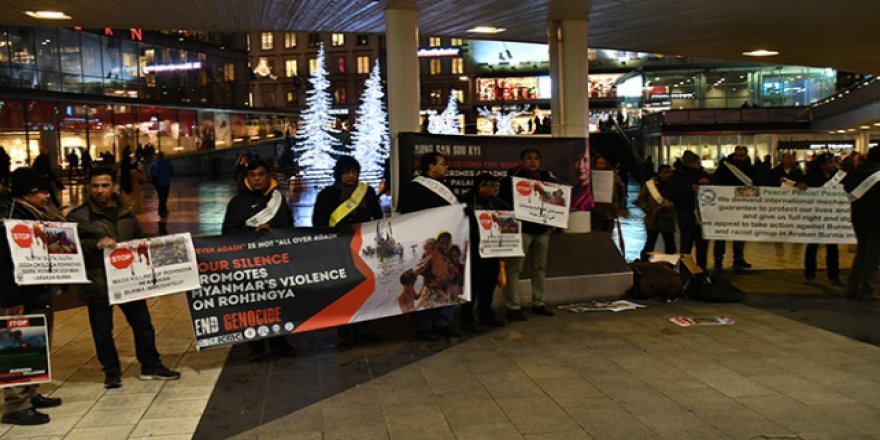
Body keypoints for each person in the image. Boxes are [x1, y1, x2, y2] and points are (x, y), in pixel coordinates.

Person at [67, 165, 181, 389]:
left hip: (128, 280)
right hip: (98, 282)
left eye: (105, 185)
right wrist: (95, 244)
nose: (100, 190)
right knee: (102, 331)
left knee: (143, 325)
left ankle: (151, 365)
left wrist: (158, 243)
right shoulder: (77, 216)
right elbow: (69, 247)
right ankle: (111, 372)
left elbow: (137, 237)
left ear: (114, 186)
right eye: (95, 186)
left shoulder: (125, 211)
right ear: (89, 187)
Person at [0, 168, 64, 425]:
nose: (47, 196)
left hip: (38, 292)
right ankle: (16, 405)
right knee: (20, 346)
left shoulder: (33, 214)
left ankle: (31, 392)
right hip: (21, 296)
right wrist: (11, 300)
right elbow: (4, 266)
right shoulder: (12, 220)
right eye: (42, 192)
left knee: (37, 344)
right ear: (27, 194)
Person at [221, 159, 299, 361]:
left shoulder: (278, 199)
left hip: (276, 261)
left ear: (268, 176)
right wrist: (252, 231)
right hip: (250, 265)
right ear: (247, 178)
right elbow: (228, 233)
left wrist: (274, 231)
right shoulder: (237, 203)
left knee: (280, 302)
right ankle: (256, 347)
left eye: (261, 174)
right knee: (254, 305)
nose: (257, 179)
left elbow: (289, 226)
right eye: (252, 175)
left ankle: (279, 342)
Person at [312, 156, 384, 346]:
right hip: (338, 249)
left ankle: (363, 329)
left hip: (363, 247)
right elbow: (319, 222)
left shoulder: (366, 192)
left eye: (354, 172)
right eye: (347, 172)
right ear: (339, 173)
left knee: (365, 287)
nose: (351, 176)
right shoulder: (327, 195)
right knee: (343, 290)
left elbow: (378, 217)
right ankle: (343, 330)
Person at [398, 152, 460, 341]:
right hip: (425, 246)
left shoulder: (445, 187)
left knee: (447, 283)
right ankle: (423, 326)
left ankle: (443, 322)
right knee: (424, 285)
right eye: (442, 164)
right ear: (431, 167)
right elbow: (408, 217)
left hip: (446, 246)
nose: (446, 167)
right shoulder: (413, 188)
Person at [498, 149, 557, 321]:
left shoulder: (547, 179)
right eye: (529, 158)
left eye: (536, 158)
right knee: (514, 268)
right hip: (521, 230)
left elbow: (556, 202)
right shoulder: (511, 179)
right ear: (522, 161)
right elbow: (504, 202)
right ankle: (513, 306)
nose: (533, 161)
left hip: (542, 230)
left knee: (540, 268)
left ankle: (538, 302)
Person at [460, 173, 508, 330]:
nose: (496, 189)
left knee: (489, 283)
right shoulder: (466, 201)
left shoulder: (498, 203)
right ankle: (466, 317)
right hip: (472, 249)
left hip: (492, 249)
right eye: (493, 186)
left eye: (497, 186)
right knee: (472, 283)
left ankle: (486, 313)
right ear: (481, 186)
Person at [797, 153, 843, 286]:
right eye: (830, 163)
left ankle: (834, 275)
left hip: (832, 216)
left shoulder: (839, 176)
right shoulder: (812, 175)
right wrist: (801, 185)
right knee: (812, 246)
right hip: (816, 215)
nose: (833, 165)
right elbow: (798, 185)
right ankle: (809, 274)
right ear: (822, 165)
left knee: (833, 247)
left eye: (833, 162)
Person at [712, 146, 760, 269]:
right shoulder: (725, 168)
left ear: (746, 155)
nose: (738, 158)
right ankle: (718, 259)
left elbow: (757, 186)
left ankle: (738, 258)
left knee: (740, 233)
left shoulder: (751, 169)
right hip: (725, 206)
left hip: (742, 206)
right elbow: (715, 183)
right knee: (722, 234)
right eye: (736, 155)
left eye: (741, 155)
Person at [842, 147, 880, 301]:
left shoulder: (857, 172)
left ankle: (852, 286)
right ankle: (868, 289)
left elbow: (847, 188)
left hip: (858, 218)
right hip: (877, 220)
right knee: (873, 257)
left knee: (861, 253)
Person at [663, 151, 711, 270]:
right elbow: (670, 195)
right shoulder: (677, 177)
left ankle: (701, 270)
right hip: (686, 217)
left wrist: (710, 184)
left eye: (698, 161)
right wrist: (690, 188)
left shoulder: (704, 175)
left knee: (703, 247)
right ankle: (685, 271)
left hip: (705, 218)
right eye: (696, 161)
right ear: (689, 163)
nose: (698, 163)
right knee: (686, 247)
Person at [637, 165, 676, 260]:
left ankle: (670, 265)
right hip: (653, 219)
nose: (668, 175)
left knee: (670, 244)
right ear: (659, 173)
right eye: (665, 172)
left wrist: (667, 206)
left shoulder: (674, 185)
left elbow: (678, 200)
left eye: (669, 172)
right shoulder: (650, 185)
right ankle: (644, 263)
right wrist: (649, 209)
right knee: (650, 243)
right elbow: (641, 200)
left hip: (668, 219)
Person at [590, 155, 626, 234]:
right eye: (598, 164)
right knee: (596, 237)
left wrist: (619, 206)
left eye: (603, 163)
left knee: (608, 237)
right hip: (596, 213)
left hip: (610, 212)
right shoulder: (590, 177)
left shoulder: (614, 176)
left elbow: (622, 191)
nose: (601, 166)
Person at [148, 151, 174, 221]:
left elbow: (149, 173)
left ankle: (163, 210)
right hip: (166, 183)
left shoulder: (153, 163)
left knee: (161, 196)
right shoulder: (167, 163)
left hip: (158, 184)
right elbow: (172, 172)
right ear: (163, 156)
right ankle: (161, 211)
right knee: (164, 197)